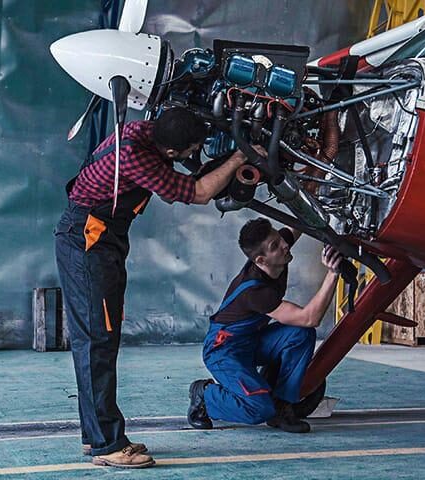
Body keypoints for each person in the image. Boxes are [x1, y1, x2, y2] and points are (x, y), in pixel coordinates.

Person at [55, 107, 263, 468]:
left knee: (100, 338)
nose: (191, 157)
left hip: (101, 239)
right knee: (97, 340)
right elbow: (197, 193)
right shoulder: (136, 155)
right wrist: (241, 157)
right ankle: (107, 445)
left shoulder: (144, 132)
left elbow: (172, 187)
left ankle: (96, 436)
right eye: (189, 151)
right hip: (88, 242)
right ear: (170, 152)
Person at [187, 217, 342, 434]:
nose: (284, 245)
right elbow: (310, 317)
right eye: (275, 246)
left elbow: (298, 222)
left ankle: (282, 406)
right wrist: (334, 273)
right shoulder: (255, 291)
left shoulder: (277, 255)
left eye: (280, 239)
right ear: (261, 260)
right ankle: (205, 395)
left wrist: (316, 189)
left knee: (300, 334)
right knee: (258, 409)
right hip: (224, 352)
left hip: (251, 341)